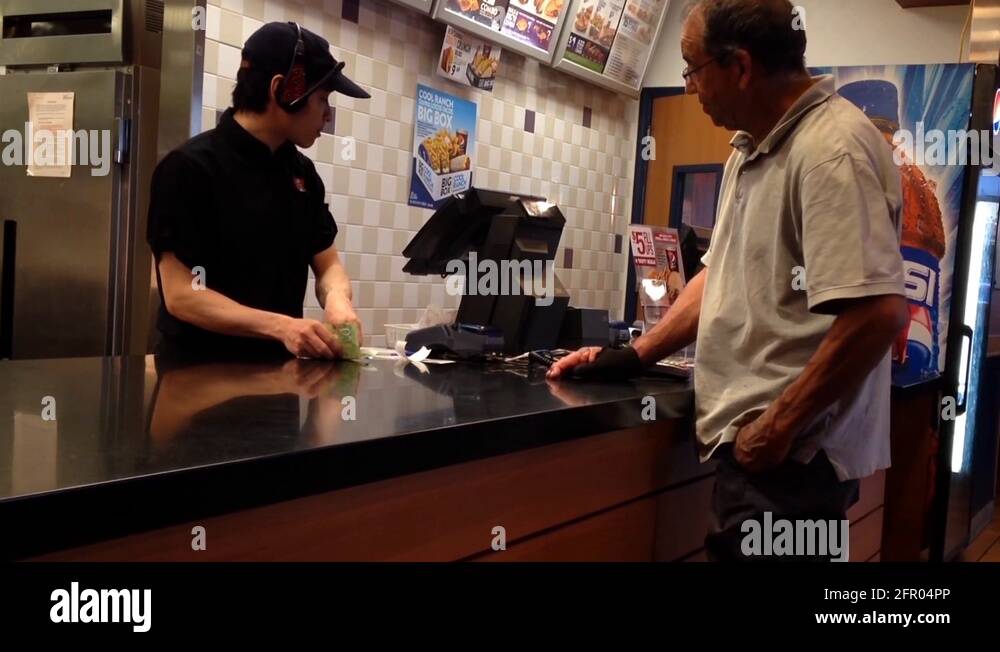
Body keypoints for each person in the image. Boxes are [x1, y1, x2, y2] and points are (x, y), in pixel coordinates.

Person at [548, 0, 910, 561]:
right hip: (763, 457)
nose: (690, 86)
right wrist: (634, 355)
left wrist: (779, 427)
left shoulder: (830, 151)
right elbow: (718, 274)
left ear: (739, 67)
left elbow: (877, 313)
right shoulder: (751, 146)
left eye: (692, 68)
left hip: (794, 467)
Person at [147, 21, 369, 359]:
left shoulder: (302, 174)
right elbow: (181, 294)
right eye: (323, 98)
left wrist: (337, 299)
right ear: (284, 90)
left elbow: (328, 264)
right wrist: (281, 326)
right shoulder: (188, 168)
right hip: (196, 379)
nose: (327, 115)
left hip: (279, 382)